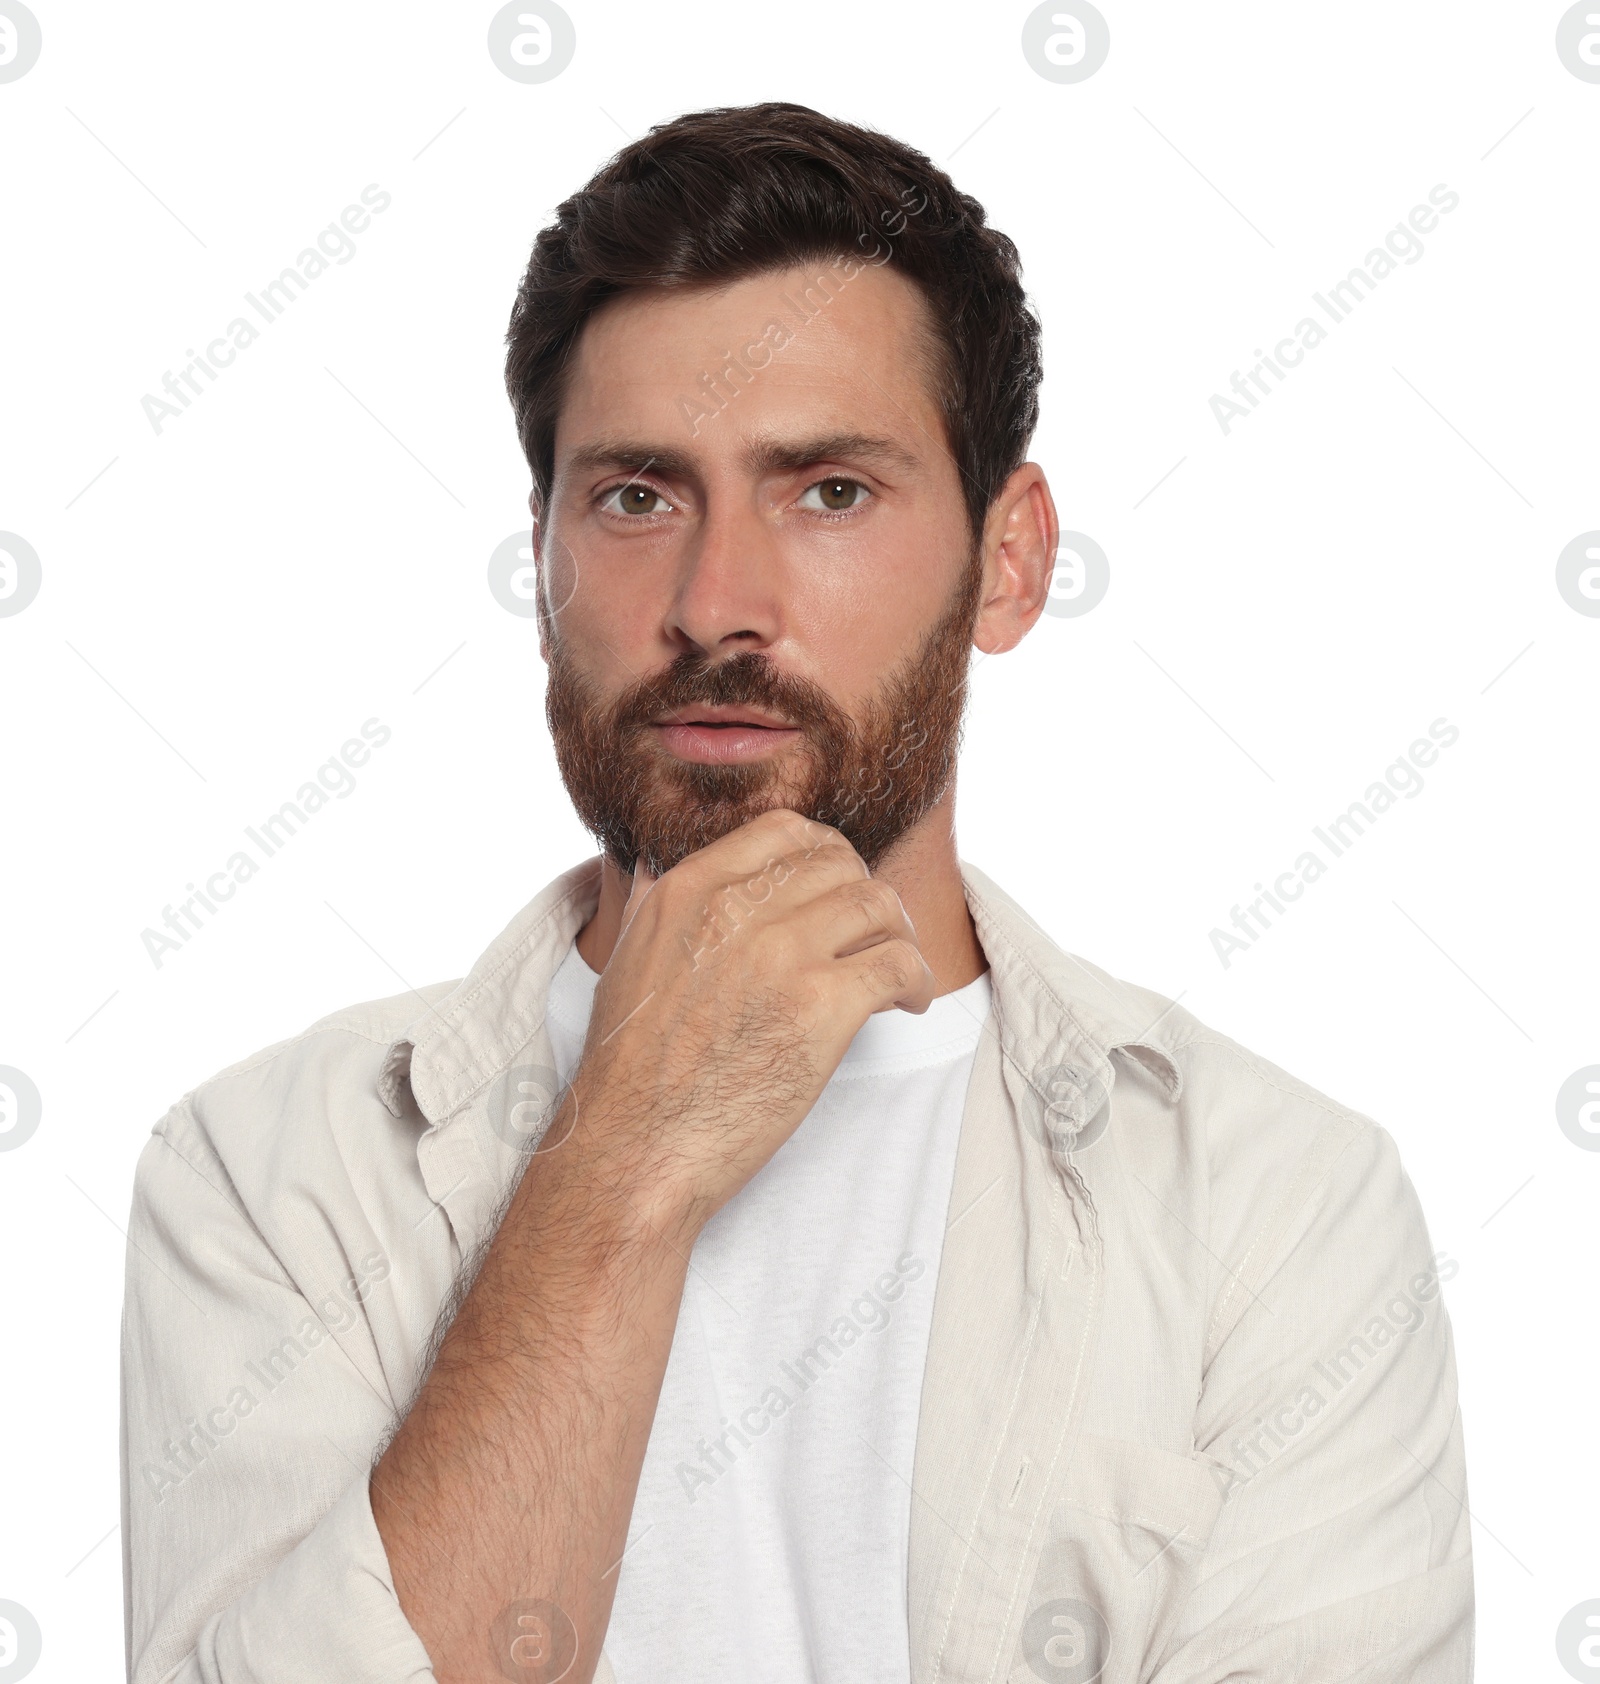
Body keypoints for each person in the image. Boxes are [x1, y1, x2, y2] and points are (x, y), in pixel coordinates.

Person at [121, 103, 1473, 1684]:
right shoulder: (269, 1179)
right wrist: (625, 1159)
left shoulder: (1278, 1212)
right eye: (636, 495)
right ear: (542, 556)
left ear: (1010, 561)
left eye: (828, 490)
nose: (716, 606)